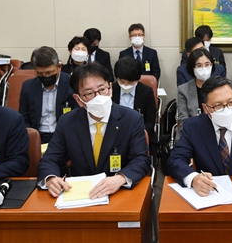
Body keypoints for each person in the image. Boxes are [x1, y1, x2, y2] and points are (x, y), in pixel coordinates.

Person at [37, 63, 150, 198]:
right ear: (78, 99)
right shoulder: (67, 122)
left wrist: (120, 178)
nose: (98, 97)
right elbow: (50, 159)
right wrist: (51, 178)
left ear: (111, 88)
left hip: (119, 192)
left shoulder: (131, 119)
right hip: (80, 194)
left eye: (102, 90)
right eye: (89, 93)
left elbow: (141, 159)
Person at [167, 76, 232, 196]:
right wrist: (194, 179)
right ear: (205, 108)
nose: (226, 109)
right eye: (218, 105)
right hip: (210, 194)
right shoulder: (193, 127)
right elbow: (175, 160)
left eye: (231, 102)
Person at [19, 47, 77, 143]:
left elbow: (78, 116)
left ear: (59, 67)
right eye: (40, 73)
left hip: (64, 136)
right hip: (37, 136)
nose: (45, 76)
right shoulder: (28, 87)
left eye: (49, 72)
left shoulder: (72, 84)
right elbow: (24, 118)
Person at [112, 56, 158, 157]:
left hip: (139, 134)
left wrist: (138, 134)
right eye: (122, 81)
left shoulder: (146, 92)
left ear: (137, 79)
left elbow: (150, 120)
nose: (126, 85)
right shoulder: (111, 90)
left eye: (130, 82)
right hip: (114, 134)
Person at [176, 48, 217, 142]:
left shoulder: (220, 88)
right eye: (199, 65)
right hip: (191, 135)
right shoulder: (183, 89)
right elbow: (183, 120)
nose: (204, 68)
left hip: (215, 134)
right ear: (192, 68)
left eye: (207, 64)